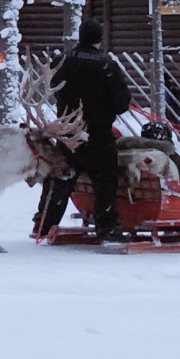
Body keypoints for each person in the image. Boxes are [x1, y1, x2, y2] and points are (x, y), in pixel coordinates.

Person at [38, 19, 134, 243]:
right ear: (99, 40)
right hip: (97, 133)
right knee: (105, 179)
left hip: (68, 130)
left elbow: (53, 88)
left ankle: (44, 222)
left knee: (61, 175)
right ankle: (107, 226)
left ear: (79, 37)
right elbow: (121, 103)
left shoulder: (61, 61)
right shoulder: (106, 65)